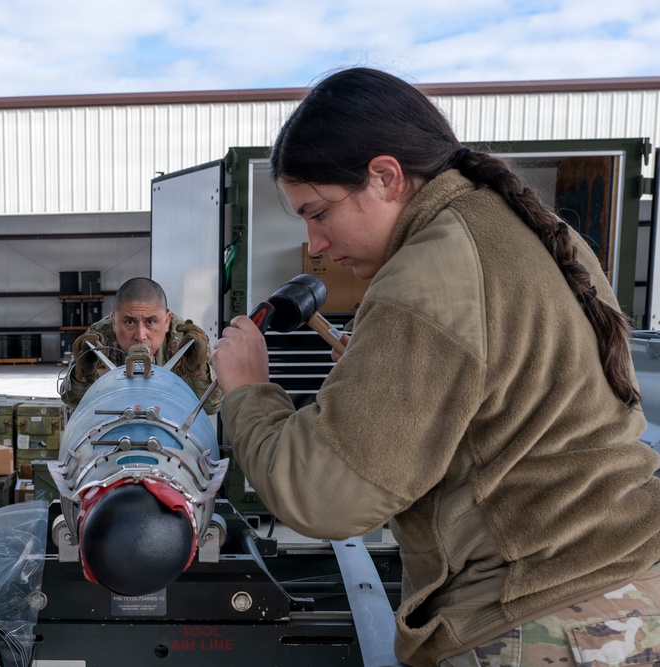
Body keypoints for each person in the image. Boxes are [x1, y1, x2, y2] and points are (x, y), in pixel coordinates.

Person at [212, 67, 660, 666]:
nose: (315, 244)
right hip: (629, 594)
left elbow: (324, 497)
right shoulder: (526, 230)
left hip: (538, 621)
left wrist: (248, 391)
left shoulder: (427, 275)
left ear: (386, 177)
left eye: (318, 212)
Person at [60, 277, 222, 414]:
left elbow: (211, 407)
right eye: (129, 322)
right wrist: (83, 375)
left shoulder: (187, 341)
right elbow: (74, 403)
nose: (140, 335)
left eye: (150, 322)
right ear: (114, 322)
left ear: (167, 321)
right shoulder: (97, 341)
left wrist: (197, 372)